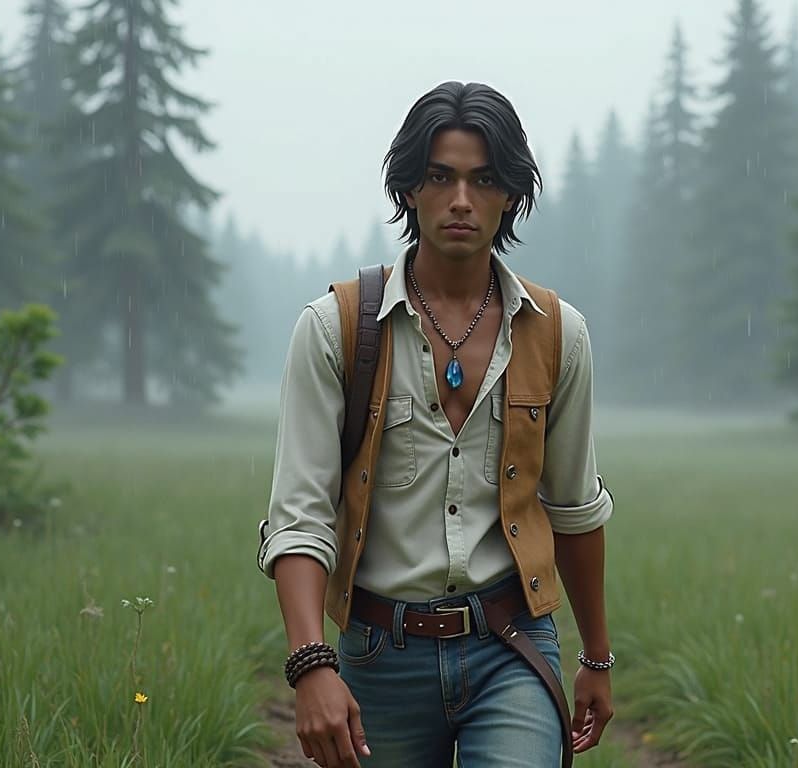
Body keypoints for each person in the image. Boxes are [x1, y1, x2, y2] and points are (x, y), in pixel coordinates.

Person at [257, 80, 615, 768]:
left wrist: (596, 656)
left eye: (483, 180)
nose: (460, 200)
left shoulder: (558, 334)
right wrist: (311, 664)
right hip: (378, 651)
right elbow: (299, 517)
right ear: (408, 189)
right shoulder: (333, 328)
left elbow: (574, 509)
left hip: (512, 643)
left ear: (510, 193)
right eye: (439, 176)